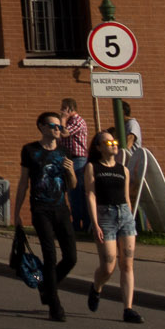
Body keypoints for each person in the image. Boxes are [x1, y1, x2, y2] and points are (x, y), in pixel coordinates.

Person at [18, 110, 80, 321]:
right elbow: (23, 182)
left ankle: (45, 285)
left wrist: (71, 172)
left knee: (71, 257)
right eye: (53, 126)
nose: (57, 130)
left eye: (59, 127)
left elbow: (72, 185)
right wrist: (17, 212)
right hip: (40, 209)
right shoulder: (29, 150)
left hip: (61, 209)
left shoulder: (64, 153)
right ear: (42, 127)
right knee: (49, 256)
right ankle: (54, 304)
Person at [85, 132, 142, 322]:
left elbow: (126, 197)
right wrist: (95, 223)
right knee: (108, 266)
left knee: (127, 264)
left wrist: (131, 219)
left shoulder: (122, 170)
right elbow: (91, 196)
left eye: (115, 142)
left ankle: (128, 309)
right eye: (108, 142)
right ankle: (97, 287)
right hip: (105, 216)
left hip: (124, 215)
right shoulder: (93, 167)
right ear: (99, 147)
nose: (113, 145)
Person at [59, 98, 92, 234]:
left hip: (78, 160)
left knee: (77, 192)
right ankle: (77, 222)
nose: (61, 110)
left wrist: (62, 119)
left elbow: (64, 133)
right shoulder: (70, 122)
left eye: (63, 108)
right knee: (72, 193)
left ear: (69, 108)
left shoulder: (77, 121)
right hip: (69, 158)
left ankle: (81, 224)